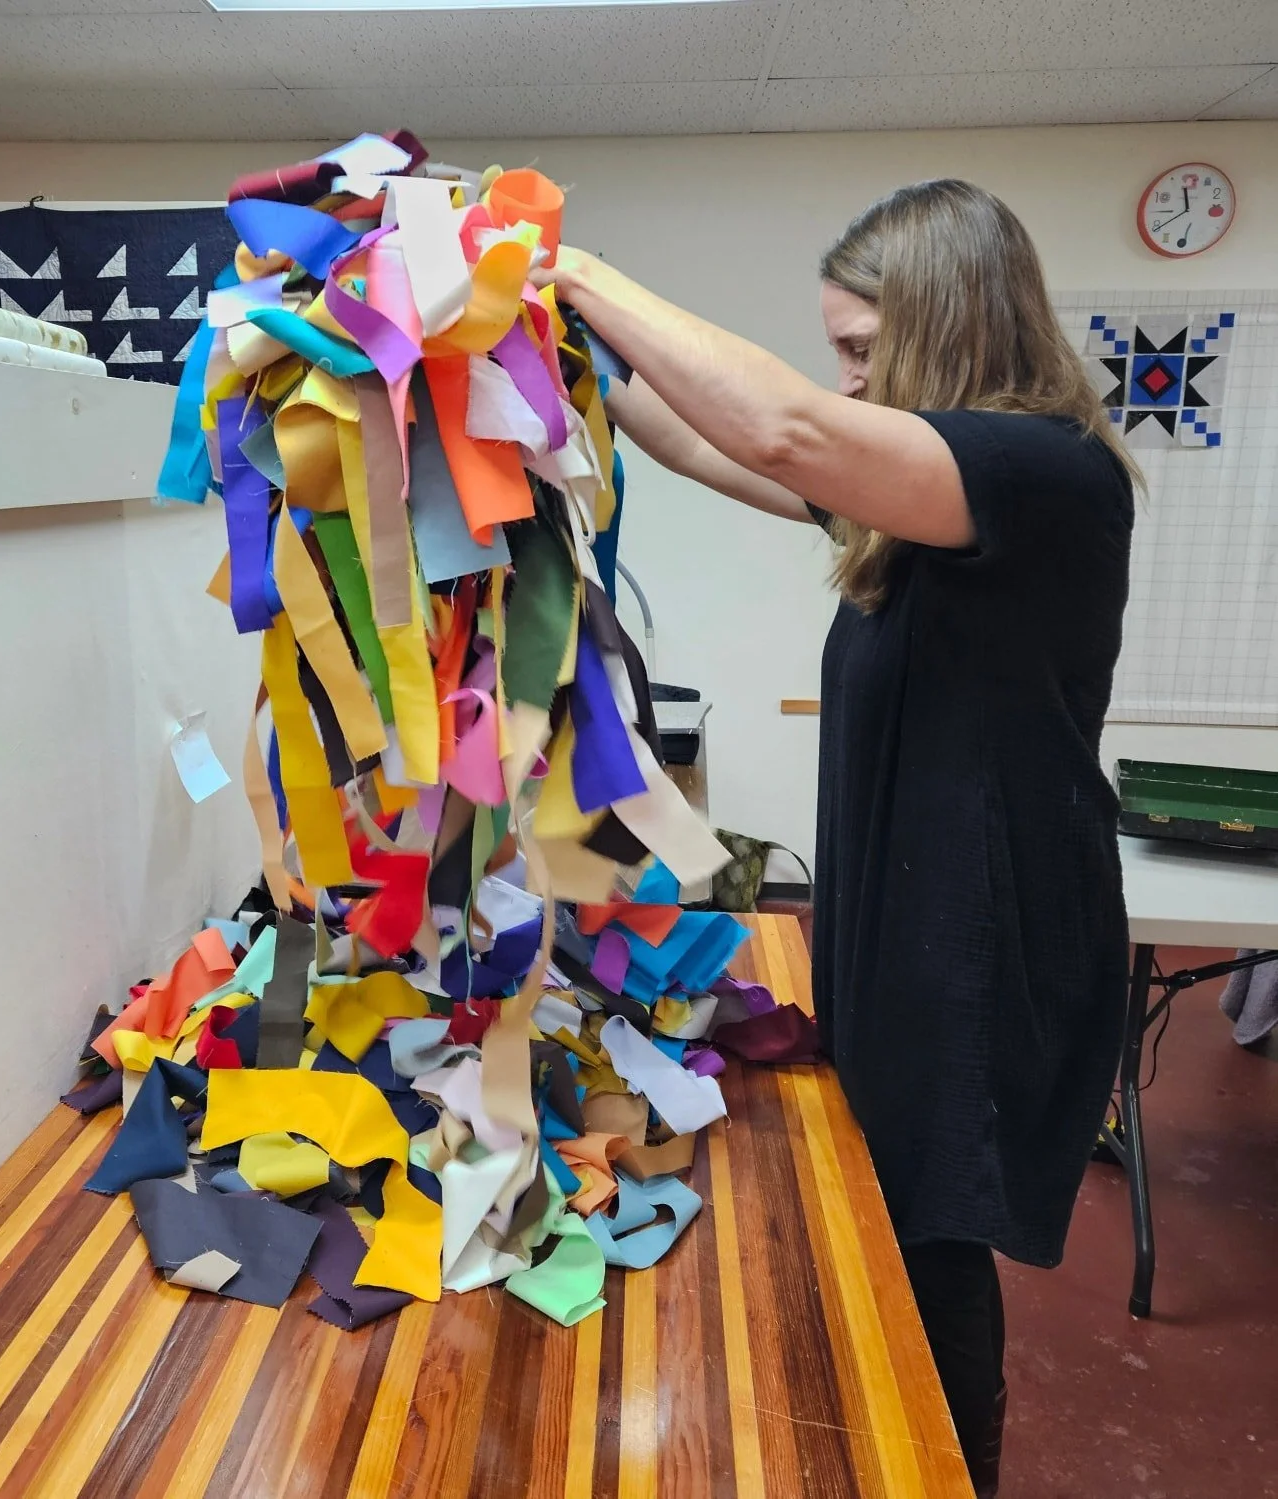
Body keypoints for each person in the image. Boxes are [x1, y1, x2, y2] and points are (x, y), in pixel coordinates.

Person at [537, 179, 1135, 1498]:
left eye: (864, 348)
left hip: (985, 931)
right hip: (903, 913)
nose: (847, 378)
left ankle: (946, 1471)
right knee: (893, 1212)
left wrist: (569, 266)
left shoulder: (1044, 473)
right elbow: (708, 447)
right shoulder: (917, 506)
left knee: (932, 1233)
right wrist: (560, 350)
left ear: (948, 322)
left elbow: (786, 427)